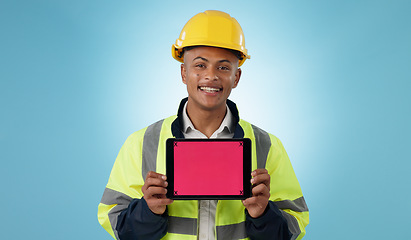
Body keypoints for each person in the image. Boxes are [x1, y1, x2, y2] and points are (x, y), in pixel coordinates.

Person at [98, 10, 309, 240]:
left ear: (236, 77)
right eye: (200, 65)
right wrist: (149, 212)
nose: (211, 76)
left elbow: (294, 229)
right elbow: (117, 225)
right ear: (183, 72)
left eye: (223, 67)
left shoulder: (266, 146)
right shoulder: (141, 144)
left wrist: (263, 215)